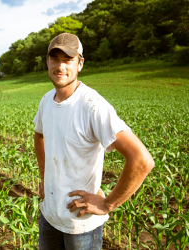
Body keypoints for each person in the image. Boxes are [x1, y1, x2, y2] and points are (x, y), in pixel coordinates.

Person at [33, 33, 154, 250]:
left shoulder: (93, 106)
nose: (60, 66)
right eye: (55, 59)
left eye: (68, 59)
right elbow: (39, 135)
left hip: (80, 223)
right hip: (49, 215)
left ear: (80, 63)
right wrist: (44, 176)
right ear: (47, 62)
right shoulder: (46, 101)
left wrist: (108, 204)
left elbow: (141, 160)